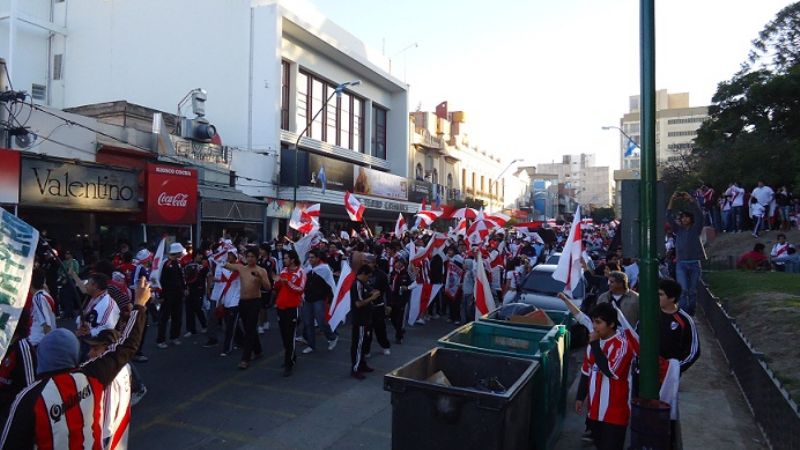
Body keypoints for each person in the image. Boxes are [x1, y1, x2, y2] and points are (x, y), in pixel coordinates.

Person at [0, 276, 151, 450]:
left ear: (41, 356)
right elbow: (127, 345)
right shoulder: (91, 375)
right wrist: (139, 304)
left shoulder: (28, 397)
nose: (89, 352)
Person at [575, 303, 634, 450]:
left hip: (615, 414)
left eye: (599, 322)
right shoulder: (593, 344)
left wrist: (594, 344)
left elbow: (610, 371)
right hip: (595, 412)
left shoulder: (622, 346)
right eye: (593, 322)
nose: (594, 326)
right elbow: (586, 372)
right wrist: (580, 397)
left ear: (612, 324)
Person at [83, 329, 132, 449]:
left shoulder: (109, 378)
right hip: (120, 433)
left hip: (108, 439)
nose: (90, 353)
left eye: (95, 349)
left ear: (108, 350)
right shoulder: (126, 367)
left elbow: (106, 421)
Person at [224, 248, 270, 369]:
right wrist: (223, 252)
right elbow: (225, 264)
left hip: (255, 302)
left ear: (257, 258)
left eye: (252, 256)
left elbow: (268, 287)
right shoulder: (241, 268)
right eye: (248, 256)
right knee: (249, 328)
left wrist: (260, 278)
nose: (250, 259)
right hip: (243, 302)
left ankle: (245, 358)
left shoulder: (261, 270)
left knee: (249, 330)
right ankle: (258, 350)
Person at [667, 191, 704, 316]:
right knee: (683, 290)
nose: (684, 219)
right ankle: (683, 313)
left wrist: (691, 200)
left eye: (686, 217)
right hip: (681, 264)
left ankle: (691, 311)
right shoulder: (678, 230)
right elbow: (668, 216)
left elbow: (700, 215)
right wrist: (672, 199)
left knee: (693, 291)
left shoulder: (696, 229)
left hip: (694, 263)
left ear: (691, 219)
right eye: (682, 217)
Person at [273, 250, 305, 377]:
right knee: (284, 336)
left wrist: (288, 283)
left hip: (292, 308)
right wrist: (277, 282)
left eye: (286, 258)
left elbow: (300, 289)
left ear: (292, 259)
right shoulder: (284, 271)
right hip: (281, 307)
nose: (284, 260)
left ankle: (289, 363)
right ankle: (291, 356)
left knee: (290, 335)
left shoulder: (301, 272)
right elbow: (277, 287)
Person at [300, 250, 338, 354]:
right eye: (309, 257)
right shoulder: (308, 268)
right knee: (308, 323)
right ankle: (311, 345)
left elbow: (330, 284)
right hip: (308, 299)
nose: (310, 259)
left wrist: (330, 299)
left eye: (312, 257)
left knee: (321, 321)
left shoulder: (324, 269)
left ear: (318, 258)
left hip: (319, 299)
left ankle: (332, 337)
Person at [350, 265, 380, 380]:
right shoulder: (357, 284)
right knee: (358, 344)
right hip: (360, 319)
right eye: (368, 276)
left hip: (366, 318)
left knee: (362, 343)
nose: (368, 278)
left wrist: (372, 294)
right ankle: (355, 368)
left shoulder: (363, 284)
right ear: (363, 274)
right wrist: (372, 298)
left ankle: (361, 364)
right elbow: (358, 303)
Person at [156, 243, 187, 348]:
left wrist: (184, 288)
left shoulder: (178, 262)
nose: (182, 253)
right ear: (177, 252)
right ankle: (160, 340)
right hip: (167, 295)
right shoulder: (165, 263)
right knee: (164, 318)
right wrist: (161, 295)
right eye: (181, 252)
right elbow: (160, 280)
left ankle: (174, 337)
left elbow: (181, 278)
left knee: (177, 317)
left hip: (178, 295)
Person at [76, 273, 120, 340]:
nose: (85, 286)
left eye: (88, 283)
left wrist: (89, 333)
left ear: (95, 286)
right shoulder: (92, 298)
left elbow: (107, 327)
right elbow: (85, 316)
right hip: (87, 340)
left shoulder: (108, 303)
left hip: (97, 344)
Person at [364, 255, 391, 357]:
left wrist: (388, 304)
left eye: (368, 262)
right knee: (367, 330)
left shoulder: (381, 275)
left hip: (378, 305)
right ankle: (366, 350)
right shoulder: (362, 273)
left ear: (374, 263)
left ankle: (385, 346)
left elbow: (387, 290)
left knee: (380, 328)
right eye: (365, 262)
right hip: (366, 305)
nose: (366, 265)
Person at [28, 269, 56, 347]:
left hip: (37, 341)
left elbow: (46, 324)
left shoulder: (38, 298)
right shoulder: (45, 295)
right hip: (40, 340)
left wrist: (50, 345)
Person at [387, 259, 413, 344]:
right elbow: (390, 285)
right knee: (392, 317)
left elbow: (410, 286)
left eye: (398, 263)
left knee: (399, 318)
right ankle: (400, 331)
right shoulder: (393, 274)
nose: (396, 264)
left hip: (401, 299)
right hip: (393, 298)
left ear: (402, 265)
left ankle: (399, 336)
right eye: (396, 263)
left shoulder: (406, 274)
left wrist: (407, 288)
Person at [184, 252, 209, 336]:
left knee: (198, 308)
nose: (200, 256)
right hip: (190, 289)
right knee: (189, 310)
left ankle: (204, 325)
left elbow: (206, 277)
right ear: (195, 256)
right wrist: (186, 287)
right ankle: (191, 330)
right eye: (199, 255)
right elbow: (186, 277)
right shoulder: (188, 265)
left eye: (201, 255)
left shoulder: (203, 266)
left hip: (199, 290)